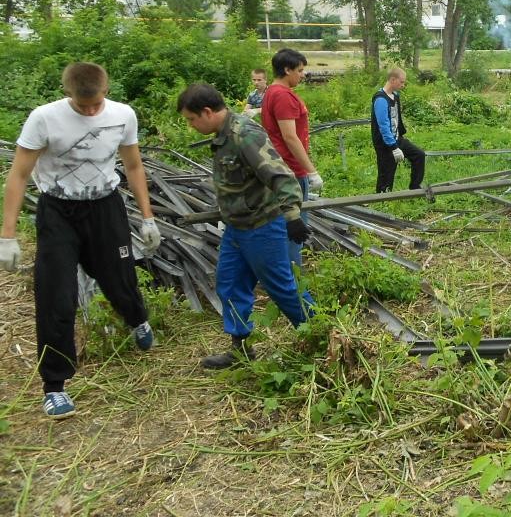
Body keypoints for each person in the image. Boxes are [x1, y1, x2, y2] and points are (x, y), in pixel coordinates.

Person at [0, 62, 163, 419]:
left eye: (96, 104)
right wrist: (7, 236)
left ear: (105, 90)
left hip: (105, 208)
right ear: (68, 93)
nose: (90, 110)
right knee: (55, 294)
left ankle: (137, 319)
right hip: (58, 211)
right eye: (82, 105)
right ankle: (55, 386)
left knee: (119, 279)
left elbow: (133, 166)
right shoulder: (44, 119)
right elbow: (20, 174)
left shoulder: (123, 115)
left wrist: (147, 217)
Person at [177, 84, 315, 369]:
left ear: (206, 112)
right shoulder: (223, 135)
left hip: (262, 227)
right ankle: (240, 348)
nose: (191, 126)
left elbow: (281, 176)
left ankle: (322, 334)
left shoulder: (245, 135)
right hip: (237, 228)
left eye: (191, 119)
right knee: (229, 284)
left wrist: (292, 216)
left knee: (283, 288)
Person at [261, 49, 321, 265]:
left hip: (280, 166)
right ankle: (293, 279)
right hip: (291, 171)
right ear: (287, 70)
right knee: (294, 226)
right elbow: (290, 136)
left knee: (284, 224)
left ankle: (284, 272)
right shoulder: (282, 95)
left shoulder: (271, 91)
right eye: (300, 70)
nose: (303, 75)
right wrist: (311, 171)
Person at [370, 67, 425, 193]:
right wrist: (394, 148)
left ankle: (415, 187)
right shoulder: (380, 100)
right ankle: (382, 199)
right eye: (402, 82)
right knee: (386, 175)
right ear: (393, 80)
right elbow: (383, 127)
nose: (403, 85)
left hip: (396, 138)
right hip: (385, 144)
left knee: (419, 155)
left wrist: (399, 136)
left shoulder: (395, 96)